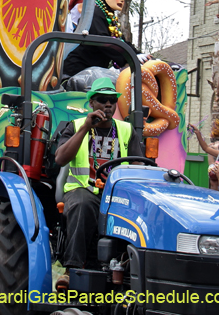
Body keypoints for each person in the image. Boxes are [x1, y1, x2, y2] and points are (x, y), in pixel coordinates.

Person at [54, 78, 144, 290]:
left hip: (115, 193)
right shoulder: (75, 126)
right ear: (91, 103)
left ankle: (132, 275)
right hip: (82, 190)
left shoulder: (126, 130)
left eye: (112, 100)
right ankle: (71, 270)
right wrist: (86, 127)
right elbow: (60, 159)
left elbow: (138, 166)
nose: (108, 105)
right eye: (102, 100)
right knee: (83, 205)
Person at [63, 0, 150, 77]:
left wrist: (138, 54)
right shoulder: (94, 14)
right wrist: (130, 57)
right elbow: (105, 42)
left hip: (92, 71)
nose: (122, 0)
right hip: (77, 72)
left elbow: (120, 41)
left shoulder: (108, 16)